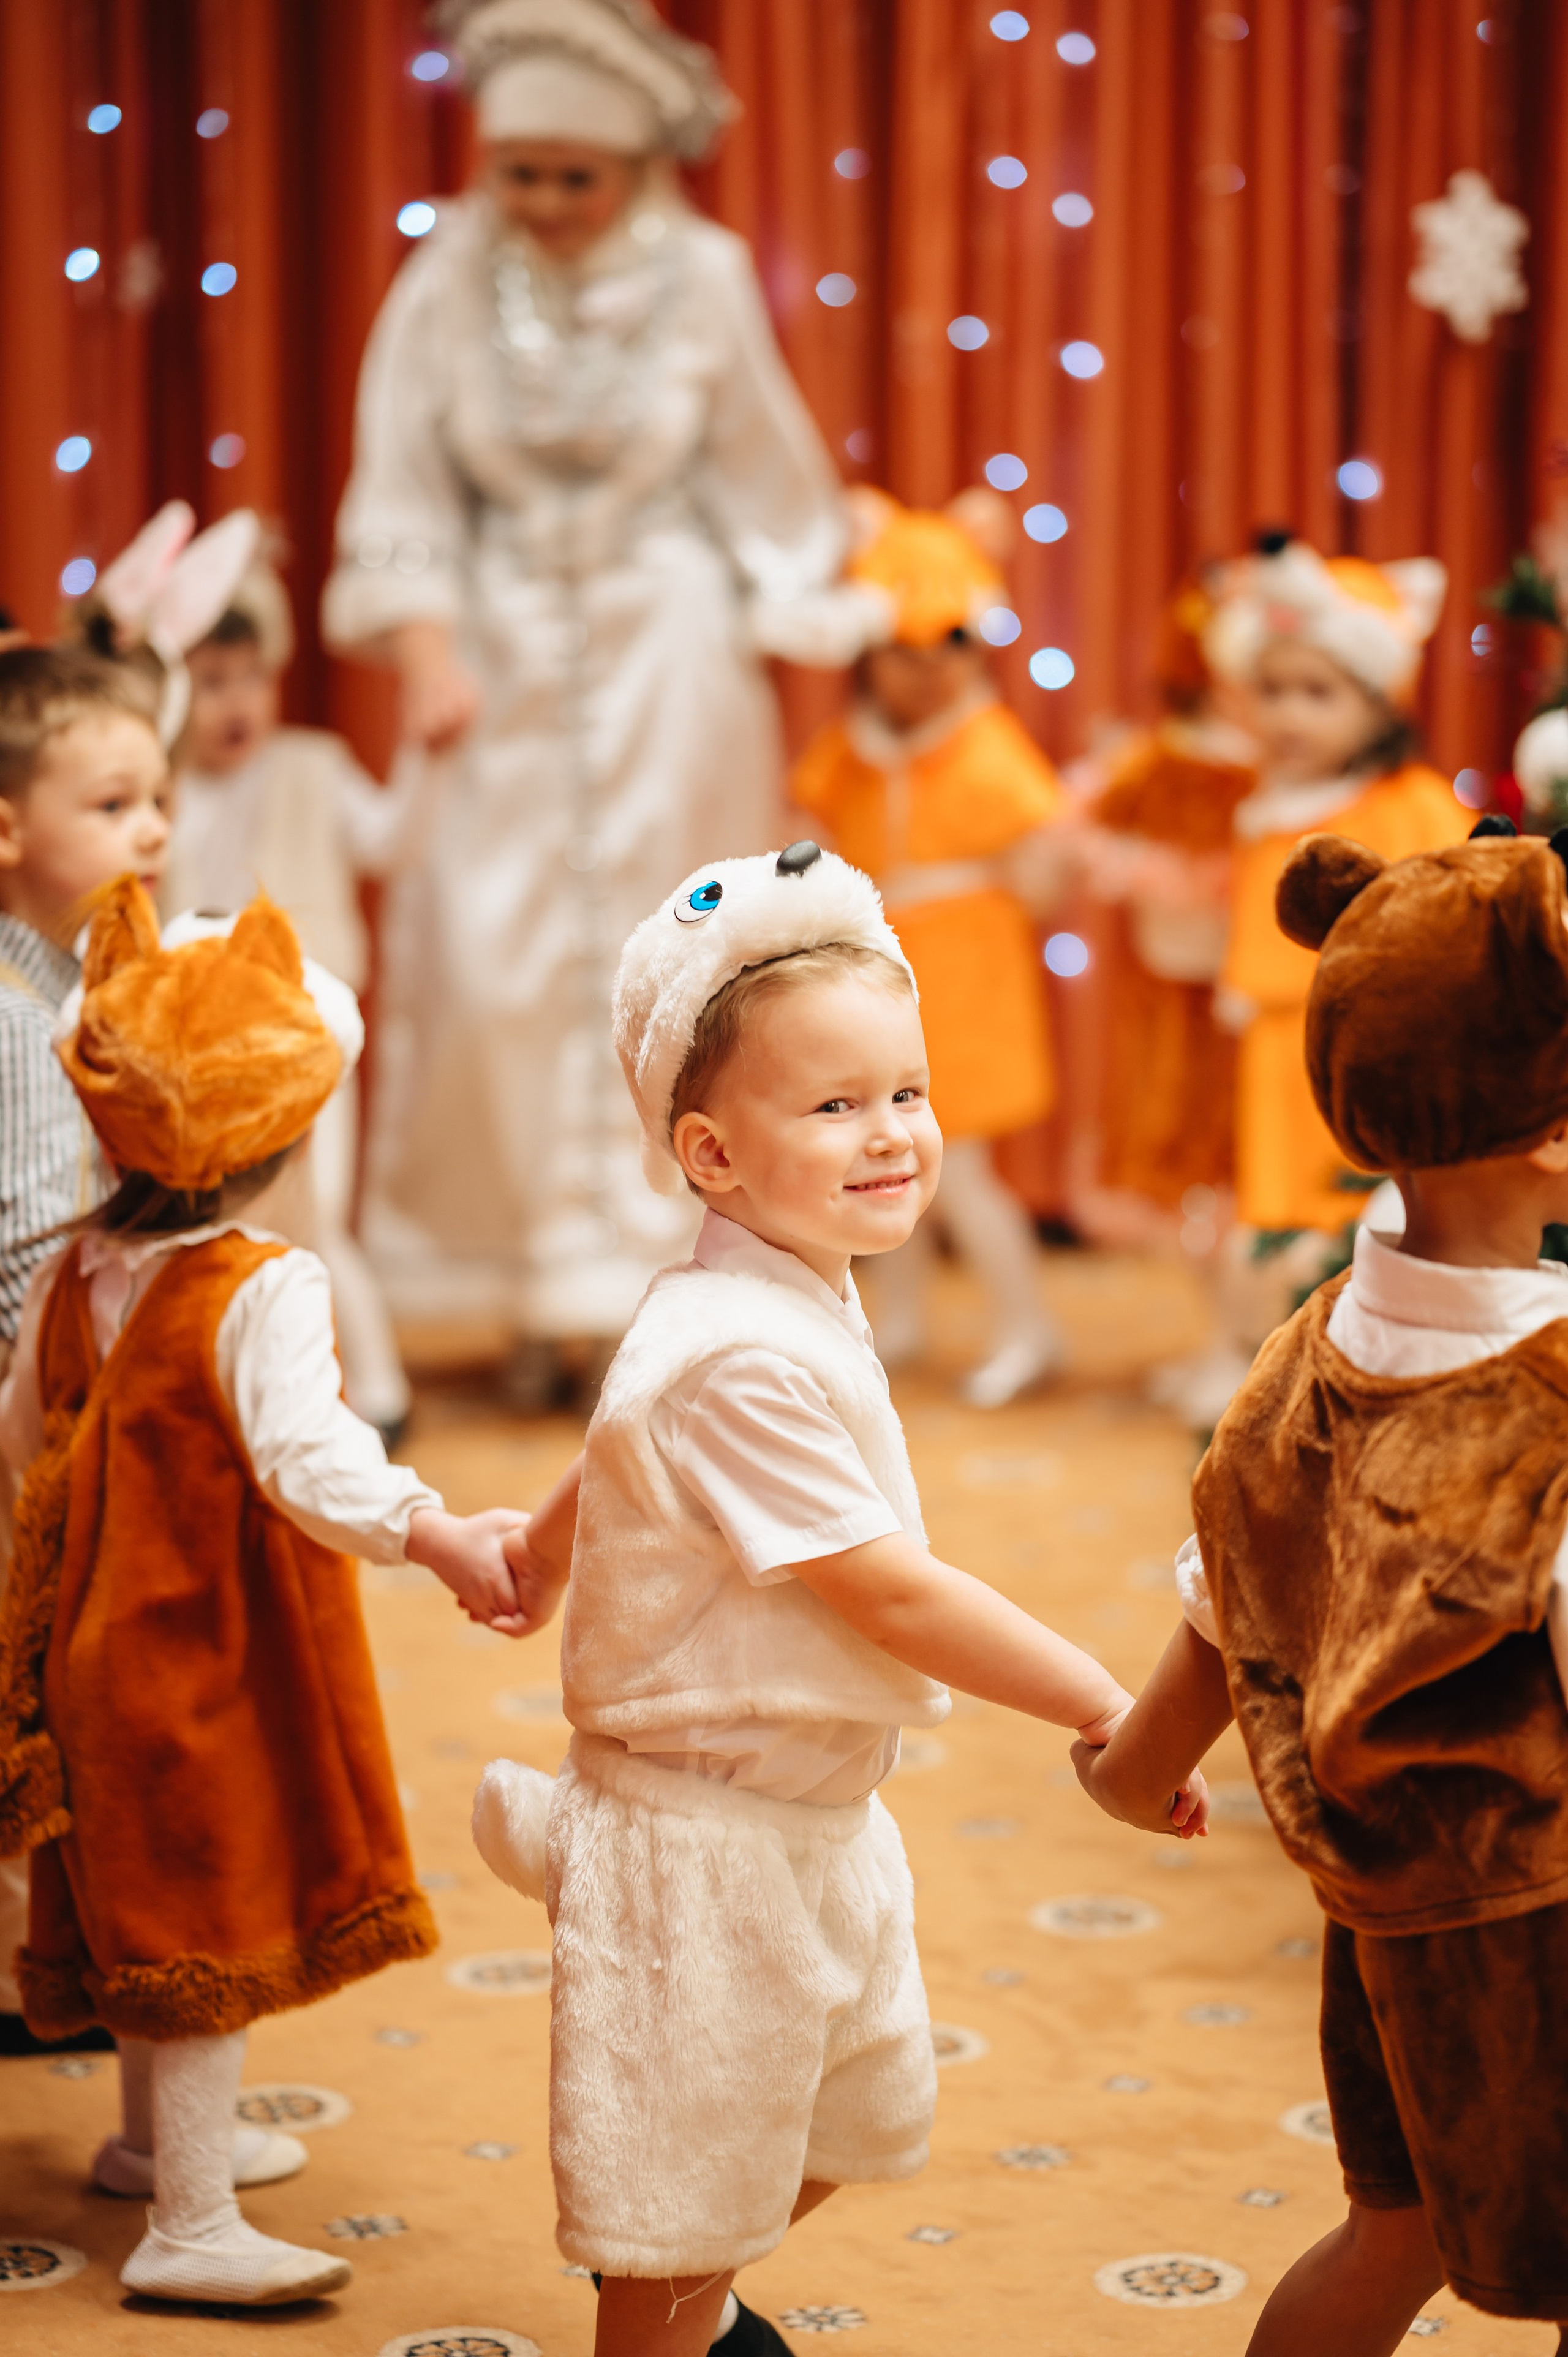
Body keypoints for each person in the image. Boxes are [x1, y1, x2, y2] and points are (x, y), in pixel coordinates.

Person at [469, 843, 1207, 2357]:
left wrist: (547, 1550)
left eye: (905, 1091)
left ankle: (697, 2299)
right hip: (704, 1838)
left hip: (805, 1811)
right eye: (832, 1104)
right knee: (677, 2187)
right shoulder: (739, 1346)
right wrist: (1097, 1699)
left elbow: (632, 1391)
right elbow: (886, 1588)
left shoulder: (762, 1276)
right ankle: (664, 2327)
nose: (891, 1137)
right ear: (711, 1152)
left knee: (848, 2098)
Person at [323, 0, 880, 1410]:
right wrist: (428, 645)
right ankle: (520, 1284)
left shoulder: (701, 273)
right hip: (495, 660)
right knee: (490, 962)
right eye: (523, 174)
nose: (548, 205)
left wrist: (793, 602)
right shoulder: (445, 276)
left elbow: (760, 466)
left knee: (679, 962)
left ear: (634, 166)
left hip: (666, 660)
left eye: (578, 177)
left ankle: (664, 1285)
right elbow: (399, 478)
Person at [0, 878, 535, 2306]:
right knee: (206, 1905)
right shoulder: (262, 1282)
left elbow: (21, 1438)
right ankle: (188, 2214)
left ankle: (140, 2138)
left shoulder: (74, 1266)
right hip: (200, 1651)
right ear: (278, 1127)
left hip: (87, 1641)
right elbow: (310, 1457)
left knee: (131, 1880)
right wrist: (433, 1528)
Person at [1076, 819, 1568, 2351]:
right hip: (1538, 1916)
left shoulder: (1309, 1345)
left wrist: (1129, 1764)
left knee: (1391, 2229)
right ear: (1550, 1136)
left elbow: (1235, 1583)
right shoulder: (1544, 1391)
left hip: (1383, 1911)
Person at [790, 492, 1068, 1408]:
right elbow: (807, 818)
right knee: (876, 1157)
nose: (916, 678)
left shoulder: (990, 749)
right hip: (878, 975)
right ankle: (901, 1319)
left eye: (937, 656)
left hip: (972, 979)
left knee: (969, 1170)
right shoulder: (855, 750)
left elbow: (1041, 868)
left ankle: (1027, 1324)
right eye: (896, 657)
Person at [0, 646, 172, 2057]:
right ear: (8, 827)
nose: (154, 832)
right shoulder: (22, 1019)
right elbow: (26, 1251)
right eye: (115, 803)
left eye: (158, 798)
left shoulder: (66, 983)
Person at [165, 551, 424, 1439]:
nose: (236, 701)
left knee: (321, 1217)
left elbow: (391, 840)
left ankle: (381, 1397)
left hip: (312, 1037)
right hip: (205, 1050)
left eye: (251, 678)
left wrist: (425, 747)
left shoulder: (314, 768)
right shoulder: (160, 796)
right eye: (209, 681)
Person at [1071, 564, 1258, 1245]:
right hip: (1168, 972)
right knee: (1171, 1132)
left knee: (1243, 1141)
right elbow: (1087, 824)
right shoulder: (1155, 760)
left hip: (1252, 981)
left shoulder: (1271, 766)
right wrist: (1169, 873)